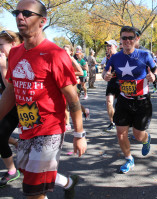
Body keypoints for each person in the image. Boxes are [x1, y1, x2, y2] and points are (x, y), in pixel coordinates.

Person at [1, 1, 87, 198]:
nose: (19, 17)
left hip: (49, 131)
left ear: (42, 21)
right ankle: (68, 182)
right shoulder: (15, 53)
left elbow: (73, 99)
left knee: (32, 189)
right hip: (26, 127)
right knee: (28, 172)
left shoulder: (55, 54)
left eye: (26, 13)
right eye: (17, 12)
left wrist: (79, 135)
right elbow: (11, 92)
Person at [103, 26, 157, 174]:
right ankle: (129, 159)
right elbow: (105, 71)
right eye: (124, 38)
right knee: (120, 132)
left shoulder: (144, 55)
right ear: (120, 40)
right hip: (124, 100)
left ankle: (146, 138)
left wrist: (154, 76)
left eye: (131, 38)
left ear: (137, 39)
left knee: (138, 135)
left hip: (142, 101)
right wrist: (105, 76)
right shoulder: (115, 58)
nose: (127, 41)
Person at [0, 30, 23, 188]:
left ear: (13, 44)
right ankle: (12, 169)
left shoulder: (18, 59)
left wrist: (3, 68)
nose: (0, 49)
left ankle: (65, 183)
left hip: (23, 107)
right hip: (9, 105)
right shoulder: (6, 58)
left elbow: (11, 88)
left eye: (1, 45)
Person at [63, 45, 84, 131]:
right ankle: (67, 123)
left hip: (73, 85)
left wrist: (70, 73)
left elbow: (81, 72)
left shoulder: (72, 60)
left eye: (65, 50)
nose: (63, 52)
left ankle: (84, 112)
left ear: (71, 52)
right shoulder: (61, 59)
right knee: (65, 105)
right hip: (64, 85)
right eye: (62, 50)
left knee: (73, 105)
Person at [101, 39, 119, 132]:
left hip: (121, 83)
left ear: (115, 46)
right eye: (107, 46)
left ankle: (125, 122)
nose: (108, 47)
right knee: (109, 102)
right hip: (111, 83)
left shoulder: (121, 56)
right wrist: (104, 76)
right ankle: (112, 122)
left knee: (122, 105)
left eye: (110, 46)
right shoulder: (107, 57)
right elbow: (104, 71)